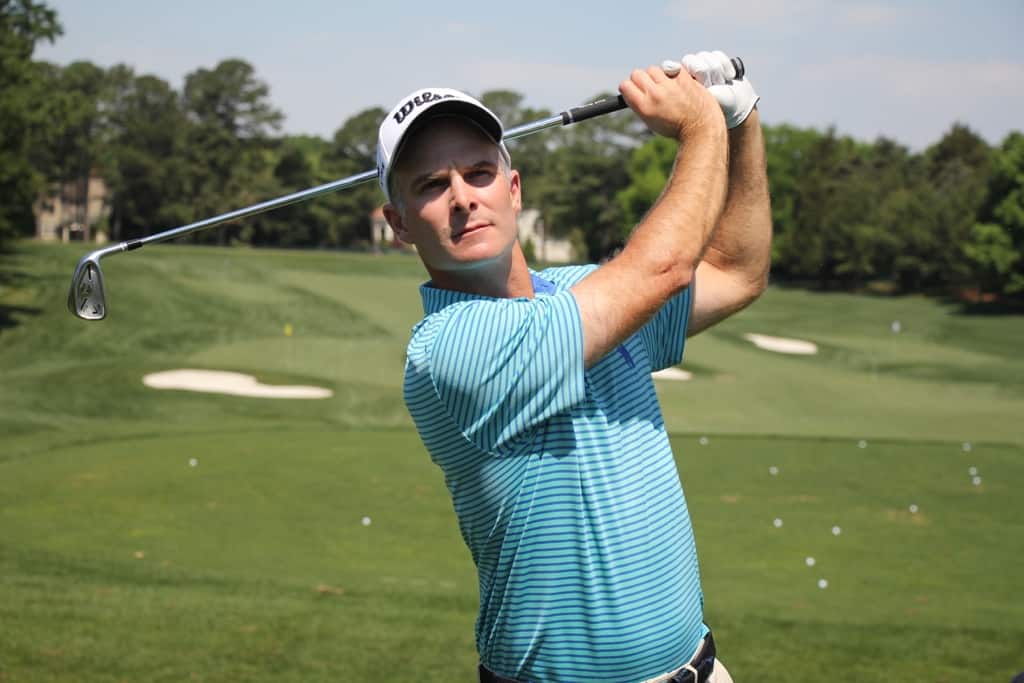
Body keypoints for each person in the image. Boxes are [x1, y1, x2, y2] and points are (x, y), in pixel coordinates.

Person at [378, 49, 770, 683]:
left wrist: (740, 120)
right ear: (398, 224)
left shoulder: (586, 291)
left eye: (479, 173)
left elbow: (735, 272)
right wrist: (699, 129)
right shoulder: (448, 349)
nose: (462, 199)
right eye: (430, 185)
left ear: (513, 189)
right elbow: (662, 270)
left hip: (701, 669)